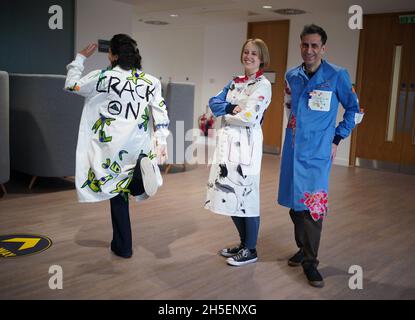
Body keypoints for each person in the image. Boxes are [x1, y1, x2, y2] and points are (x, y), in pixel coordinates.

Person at [65, 34, 169, 258]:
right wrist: (161, 142)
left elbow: (71, 85)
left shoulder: (102, 77)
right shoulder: (151, 82)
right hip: (138, 147)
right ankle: (138, 183)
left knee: (116, 192)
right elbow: (161, 114)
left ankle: (123, 245)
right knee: (126, 183)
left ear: (112, 55)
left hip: (112, 151)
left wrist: (80, 58)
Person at [278, 24, 363, 287]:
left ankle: (311, 262)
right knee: (295, 205)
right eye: (305, 45)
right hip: (293, 149)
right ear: (300, 46)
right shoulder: (292, 75)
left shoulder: (336, 75)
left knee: (312, 209)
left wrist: (336, 138)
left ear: (323, 48)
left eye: (315, 45)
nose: (309, 50)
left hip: (317, 153)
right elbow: (290, 107)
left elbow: (355, 111)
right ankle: (303, 249)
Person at [205, 39, 272, 266]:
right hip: (227, 144)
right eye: (246, 52)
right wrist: (229, 108)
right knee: (231, 192)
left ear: (261, 57)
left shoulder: (263, 85)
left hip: (247, 146)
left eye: (254, 53)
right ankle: (244, 244)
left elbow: (249, 117)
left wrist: (230, 112)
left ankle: (251, 249)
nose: (249, 56)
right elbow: (213, 103)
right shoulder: (234, 83)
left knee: (247, 195)